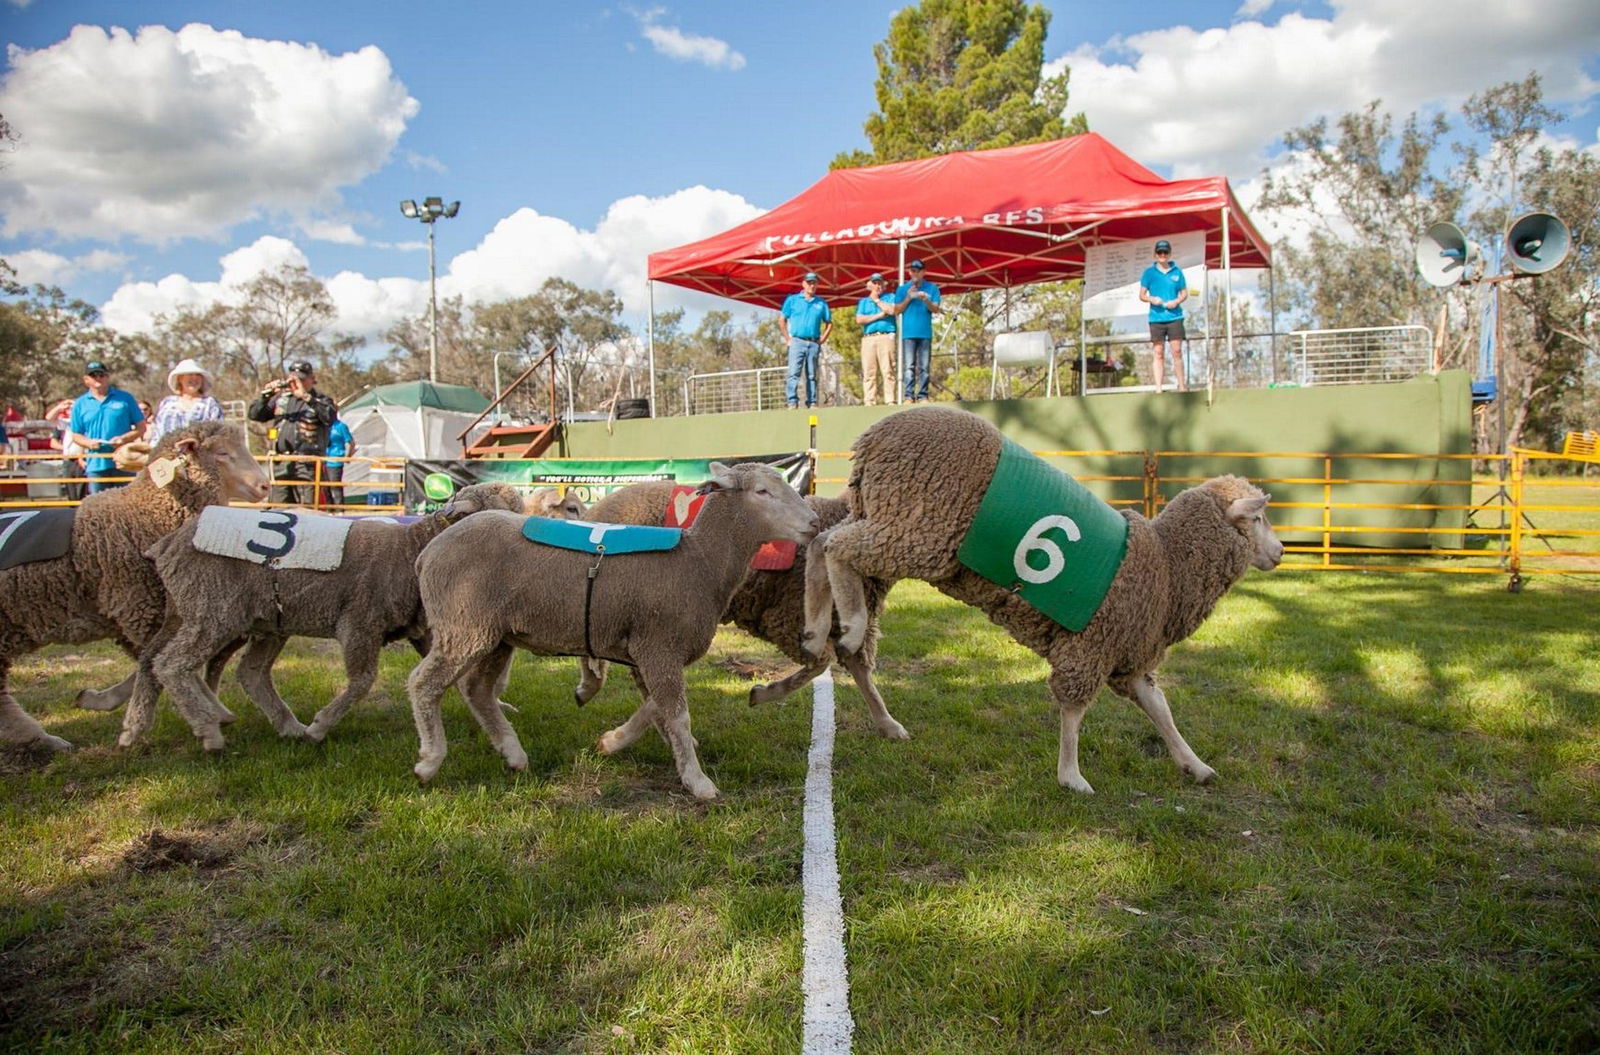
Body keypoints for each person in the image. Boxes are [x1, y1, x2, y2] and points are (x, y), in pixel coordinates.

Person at [249, 359, 337, 505]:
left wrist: (305, 396)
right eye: (294, 379)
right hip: (281, 461)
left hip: (307, 462)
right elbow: (254, 415)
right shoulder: (282, 400)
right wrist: (265, 397)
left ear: (311, 379)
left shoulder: (321, 400)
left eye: (302, 379)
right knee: (279, 506)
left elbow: (330, 417)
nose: (297, 383)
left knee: (310, 506)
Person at [66, 359, 146, 493]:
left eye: (101, 375)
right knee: (98, 505)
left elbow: (141, 427)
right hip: (96, 463)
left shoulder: (125, 399)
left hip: (124, 461)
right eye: (93, 375)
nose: (98, 378)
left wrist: (123, 439)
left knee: (126, 503)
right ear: (86, 380)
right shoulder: (80, 404)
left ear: (107, 377)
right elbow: (76, 435)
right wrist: (89, 443)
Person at [1139, 238, 1189, 392]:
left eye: (1165, 252)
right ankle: (1159, 388)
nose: (1162, 255)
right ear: (1155, 255)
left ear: (1169, 254)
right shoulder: (1148, 273)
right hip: (1156, 318)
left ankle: (1181, 386)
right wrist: (1151, 299)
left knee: (1177, 351)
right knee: (1158, 352)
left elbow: (1184, 292)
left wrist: (1177, 301)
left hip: (1175, 317)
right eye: (1160, 252)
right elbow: (1142, 295)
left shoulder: (1177, 272)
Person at [778, 272, 832, 409]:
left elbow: (829, 323)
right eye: (809, 283)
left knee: (812, 374)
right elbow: (782, 320)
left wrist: (822, 339)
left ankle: (812, 402)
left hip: (813, 342)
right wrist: (788, 339)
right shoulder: (793, 300)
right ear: (803, 284)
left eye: (814, 283)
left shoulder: (821, 303)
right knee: (794, 373)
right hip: (797, 341)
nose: (812, 285)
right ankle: (792, 401)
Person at [148, 358, 224, 445]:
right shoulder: (167, 403)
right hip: (167, 454)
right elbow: (157, 435)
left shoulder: (209, 404)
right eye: (190, 375)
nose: (194, 378)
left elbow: (218, 435)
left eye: (197, 375)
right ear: (180, 378)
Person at [895, 259, 941, 403]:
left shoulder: (932, 288)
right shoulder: (902, 289)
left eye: (918, 270)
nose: (915, 273)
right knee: (908, 366)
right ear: (909, 272)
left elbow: (935, 309)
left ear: (923, 272)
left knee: (924, 366)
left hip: (925, 333)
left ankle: (923, 395)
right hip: (908, 333)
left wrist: (925, 299)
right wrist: (908, 297)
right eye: (912, 270)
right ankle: (908, 395)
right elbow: (897, 310)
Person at [854, 273, 898, 406]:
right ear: (870, 285)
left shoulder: (890, 297)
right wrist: (879, 315)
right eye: (875, 283)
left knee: (888, 369)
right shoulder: (864, 302)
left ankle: (890, 400)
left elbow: (891, 311)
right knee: (869, 371)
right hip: (869, 338)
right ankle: (869, 400)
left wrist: (878, 301)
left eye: (880, 283)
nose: (878, 286)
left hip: (886, 336)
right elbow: (860, 319)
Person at [323, 416, 355, 509]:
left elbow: (351, 443)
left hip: (336, 459)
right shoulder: (324, 426)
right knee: (325, 487)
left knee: (335, 485)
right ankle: (329, 509)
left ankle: (339, 509)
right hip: (323, 459)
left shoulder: (341, 426)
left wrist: (348, 456)